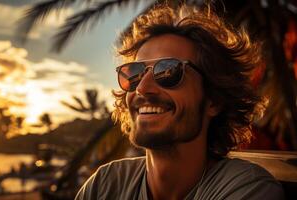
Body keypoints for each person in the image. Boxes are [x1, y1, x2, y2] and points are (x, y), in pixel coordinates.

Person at [75, 3, 285, 200]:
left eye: (168, 71)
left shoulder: (247, 189)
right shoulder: (105, 184)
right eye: (134, 74)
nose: (141, 88)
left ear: (214, 100)